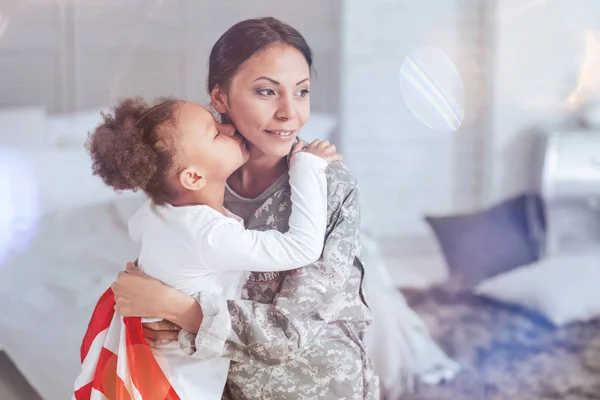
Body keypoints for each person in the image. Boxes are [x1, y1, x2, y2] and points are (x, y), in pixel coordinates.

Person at [111, 16, 384, 399]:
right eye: (267, 92)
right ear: (220, 97)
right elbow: (161, 296)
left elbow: (288, 334)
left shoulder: (331, 188)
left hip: (318, 389)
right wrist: (156, 300)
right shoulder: (191, 179)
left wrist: (183, 311)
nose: (290, 113)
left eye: (302, 92)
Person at [76, 97, 342, 399]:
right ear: (193, 177)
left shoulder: (158, 208)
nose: (229, 129)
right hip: (178, 387)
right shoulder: (209, 234)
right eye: (216, 132)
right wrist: (307, 166)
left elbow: (137, 227)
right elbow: (301, 248)